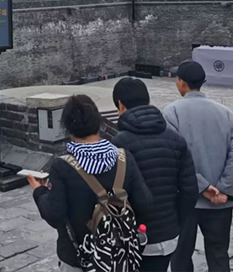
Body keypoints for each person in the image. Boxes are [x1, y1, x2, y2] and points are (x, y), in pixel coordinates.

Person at [28, 94, 151, 272]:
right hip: (120, 257)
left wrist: (39, 191)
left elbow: (54, 215)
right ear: (98, 122)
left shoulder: (62, 166)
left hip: (79, 258)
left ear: (67, 127)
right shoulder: (124, 158)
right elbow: (144, 203)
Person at [112, 77, 198, 272]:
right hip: (167, 237)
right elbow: (189, 191)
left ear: (120, 105)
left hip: (131, 236)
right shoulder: (176, 140)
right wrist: (175, 222)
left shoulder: (117, 145)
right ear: (148, 101)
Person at [164, 60, 233, 272]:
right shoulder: (227, 114)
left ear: (181, 82)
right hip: (220, 202)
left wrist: (202, 187)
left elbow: (174, 159)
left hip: (185, 201)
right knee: (219, 255)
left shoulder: (171, 113)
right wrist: (222, 189)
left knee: (181, 256)